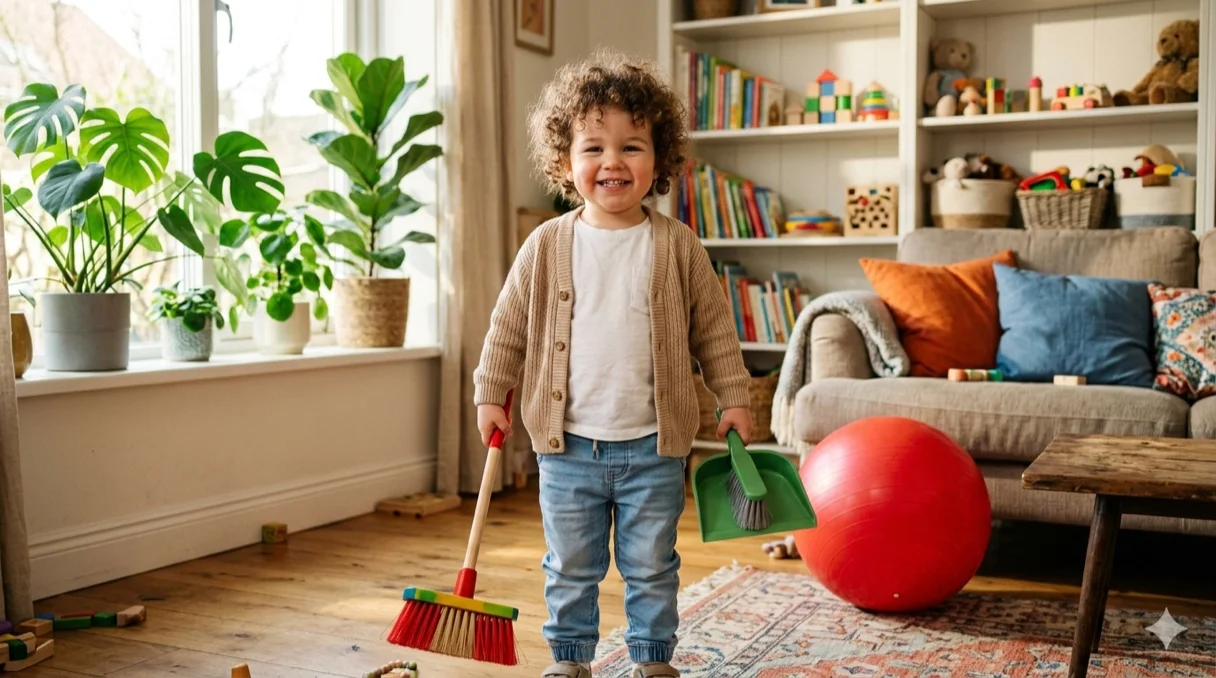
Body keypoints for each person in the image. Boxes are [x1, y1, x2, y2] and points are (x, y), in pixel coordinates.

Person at [472, 49, 753, 678]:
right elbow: (508, 325)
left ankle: (653, 658)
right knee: (570, 562)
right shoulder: (546, 245)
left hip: (655, 445)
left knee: (652, 560)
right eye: (594, 147)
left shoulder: (678, 247)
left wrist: (733, 394)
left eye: (632, 146)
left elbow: (713, 332)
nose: (612, 162)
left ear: (659, 160)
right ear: (565, 162)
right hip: (566, 447)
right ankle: (572, 659)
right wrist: (493, 386)